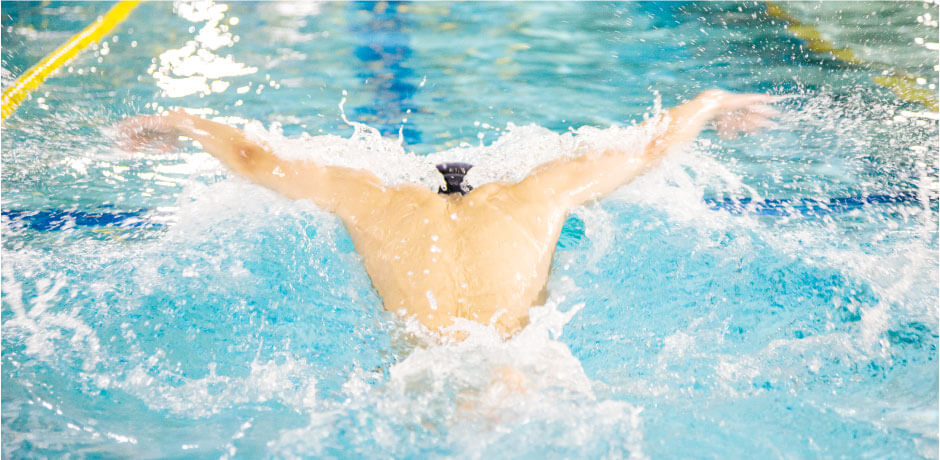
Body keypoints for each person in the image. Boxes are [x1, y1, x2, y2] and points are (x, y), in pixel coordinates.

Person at [116, 89, 780, 339]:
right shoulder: (536, 193)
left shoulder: (371, 200)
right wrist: (712, 103)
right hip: (523, 368)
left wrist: (180, 120)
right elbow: (651, 147)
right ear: (481, 177)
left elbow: (259, 161)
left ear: (420, 181)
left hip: (420, 375)